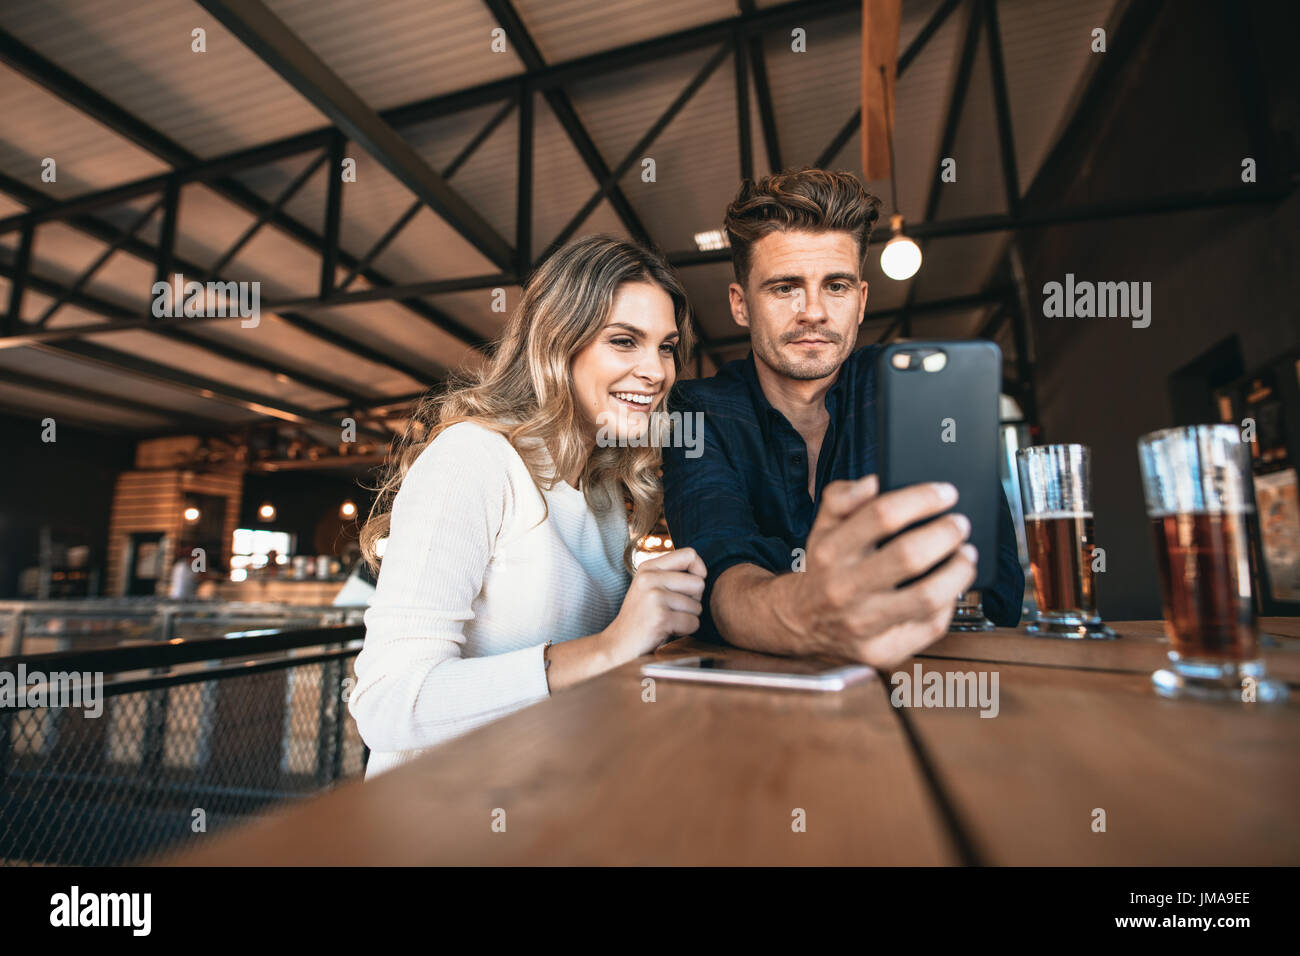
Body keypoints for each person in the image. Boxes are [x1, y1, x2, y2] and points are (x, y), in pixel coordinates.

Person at [349, 235, 707, 778]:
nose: (657, 371)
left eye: (665, 346)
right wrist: (609, 647)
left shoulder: (604, 492)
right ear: (558, 344)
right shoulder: (473, 458)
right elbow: (387, 703)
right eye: (624, 340)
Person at [661, 168, 1023, 668]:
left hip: (926, 687)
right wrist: (804, 611)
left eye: (836, 285)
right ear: (740, 305)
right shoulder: (696, 411)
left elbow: (992, 585)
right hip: (754, 710)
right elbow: (719, 574)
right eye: (785, 287)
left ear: (862, 300)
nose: (813, 311)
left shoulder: (920, 397)